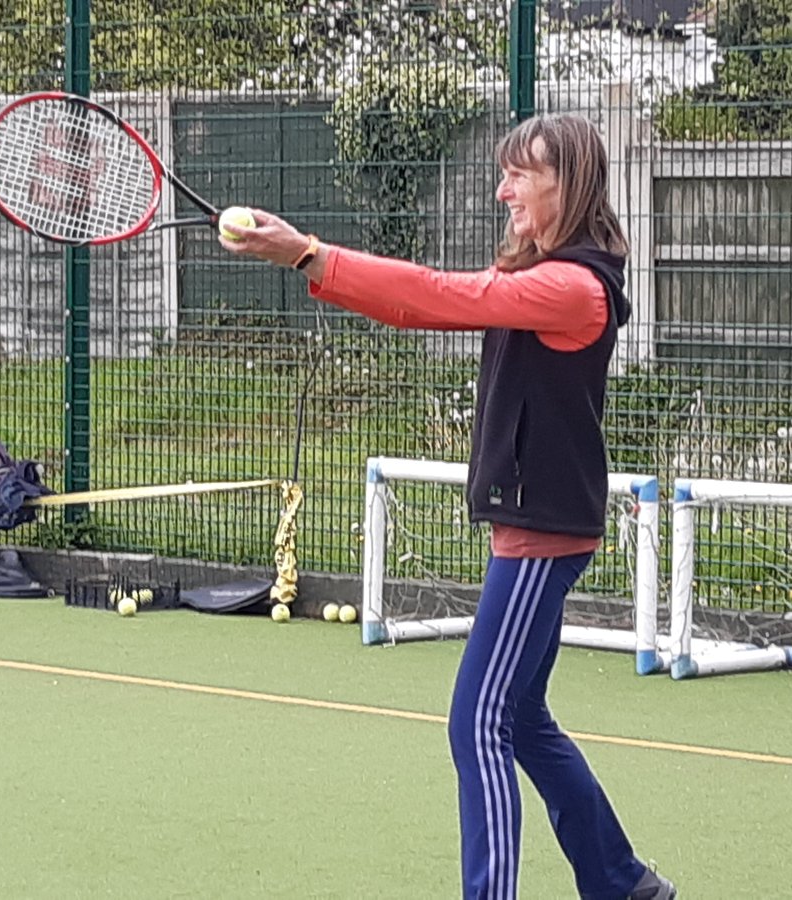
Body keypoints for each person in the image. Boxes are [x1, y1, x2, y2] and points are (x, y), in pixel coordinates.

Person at [219, 114, 677, 900]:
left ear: (564, 184)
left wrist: (311, 254)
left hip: (543, 536)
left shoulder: (571, 286)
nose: (503, 190)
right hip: (538, 528)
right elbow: (433, 299)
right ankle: (621, 881)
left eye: (519, 175)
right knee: (521, 718)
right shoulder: (552, 275)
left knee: (477, 723)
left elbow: (430, 299)